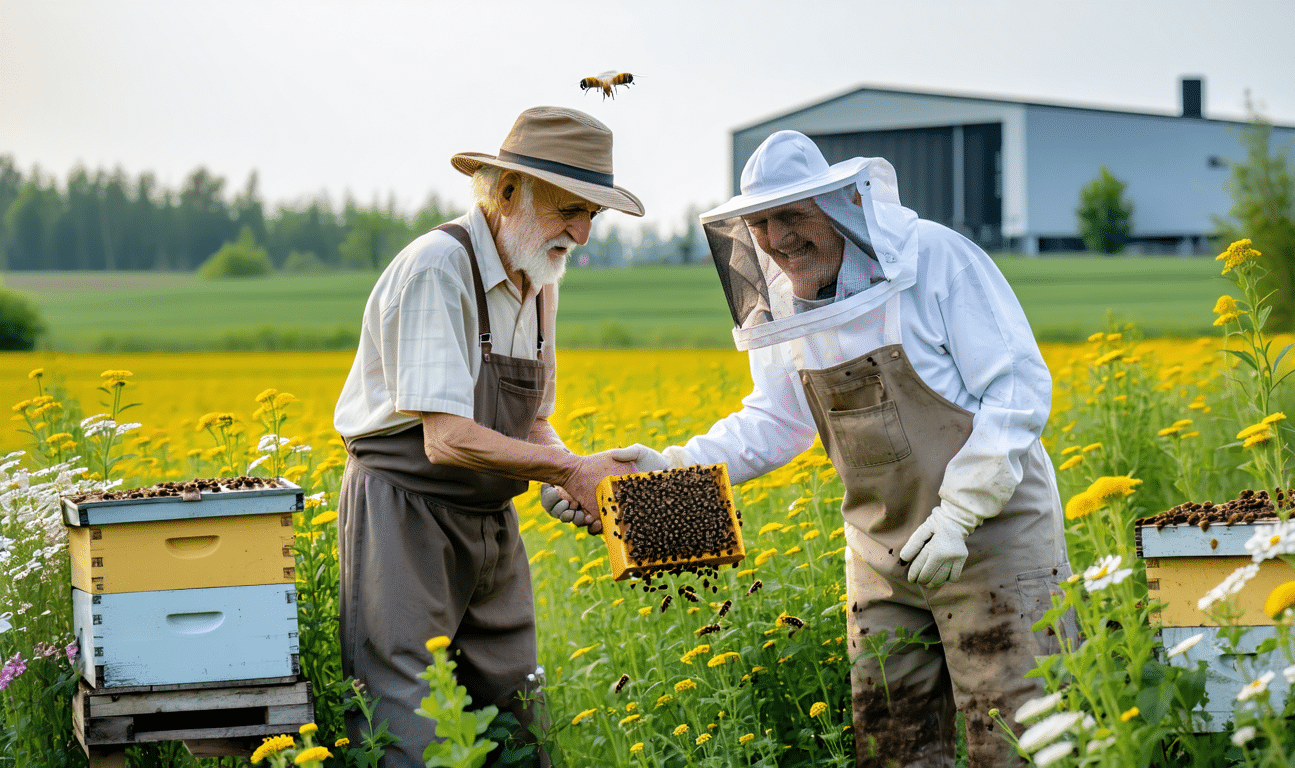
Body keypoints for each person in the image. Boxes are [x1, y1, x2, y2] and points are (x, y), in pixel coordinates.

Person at [547, 131, 1075, 768]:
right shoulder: (783, 303)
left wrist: (962, 512)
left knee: (1022, 738)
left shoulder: (936, 260)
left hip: (992, 538)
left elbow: (1017, 390)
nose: (777, 238)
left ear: (843, 206)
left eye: (792, 216)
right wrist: (662, 471)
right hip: (881, 557)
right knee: (892, 744)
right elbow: (773, 422)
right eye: (761, 223)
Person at [335, 106, 645, 767]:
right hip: (405, 513)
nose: (583, 234)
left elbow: (531, 419)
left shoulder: (541, 279)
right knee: (412, 723)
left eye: (594, 215)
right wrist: (568, 470)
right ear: (507, 191)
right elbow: (445, 438)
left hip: (489, 521)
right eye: (570, 209)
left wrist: (573, 477)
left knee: (517, 711)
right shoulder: (437, 268)